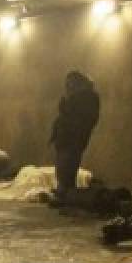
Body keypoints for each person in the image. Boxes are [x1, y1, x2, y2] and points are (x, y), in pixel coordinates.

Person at [50, 71, 101, 201]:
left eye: (70, 84)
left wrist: (65, 107)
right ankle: (64, 193)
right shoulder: (79, 98)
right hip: (66, 140)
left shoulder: (86, 99)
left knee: (66, 169)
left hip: (72, 141)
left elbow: (78, 119)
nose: (67, 87)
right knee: (62, 169)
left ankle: (67, 195)